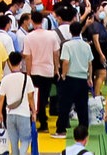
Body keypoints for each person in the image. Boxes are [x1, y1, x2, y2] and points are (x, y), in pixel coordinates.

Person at [23, 8, 61, 137]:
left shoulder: (28, 37)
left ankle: (38, 121)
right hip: (48, 70)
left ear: (32, 22)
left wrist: (28, 73)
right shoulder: (52, 35)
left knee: (34, 97)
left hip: (34, 70)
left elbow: (28, 57)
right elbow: (56, 53)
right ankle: (43, 121)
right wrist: (56, 68)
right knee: (44, 97)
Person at [53, 21, 93, 140]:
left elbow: (66, 61)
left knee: (64, 105)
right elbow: (90, 63)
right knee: (82, 107)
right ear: (81, 31)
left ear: (70, 31)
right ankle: (84, 131)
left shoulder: (67, 45)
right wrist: (89, 77)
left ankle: (61, 130)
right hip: (82, 79)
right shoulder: (86, 45)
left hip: (70, 78)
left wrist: (63, 74)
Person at [0, 50, 38, 155]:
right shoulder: (27, 78)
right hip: (24, 114)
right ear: (20, 62)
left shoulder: (5, 79)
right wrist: (34, 112)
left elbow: (1, 98)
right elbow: (30, 98)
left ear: (9, 63)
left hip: (10, 114)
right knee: (25, 140)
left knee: (13, 143)